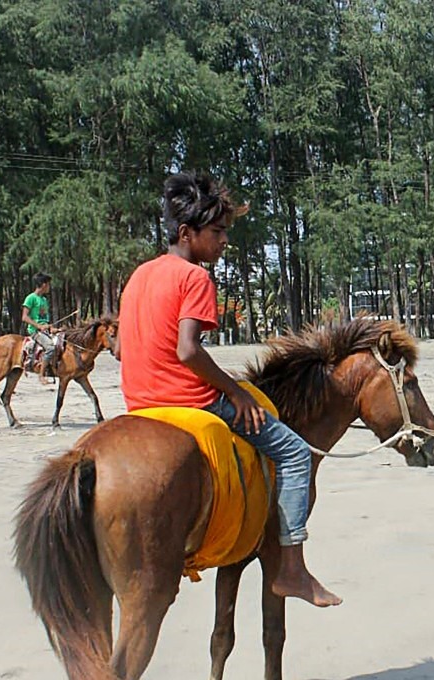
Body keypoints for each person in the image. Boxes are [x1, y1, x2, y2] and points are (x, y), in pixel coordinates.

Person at [117, 172, 341, 607]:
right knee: (295, 453)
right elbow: (188, 351)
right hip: (194, 402)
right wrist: (235, 393)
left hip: (141, 405)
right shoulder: (195, 278)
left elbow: (124, 350)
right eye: (217, 232)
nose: (223, 242)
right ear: (187, 233)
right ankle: (292, 567)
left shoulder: (139, 276)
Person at [22, 273, 56, 375]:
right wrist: (39, 326)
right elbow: (24, 317)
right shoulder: (30, 298)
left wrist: (52, 328)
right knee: (50, 348)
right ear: (44, 285)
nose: (49, 287)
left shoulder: (44, 300)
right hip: (35, 331)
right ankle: (42, 373)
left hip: (44, 330)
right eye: (48, 284)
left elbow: (45, 319)